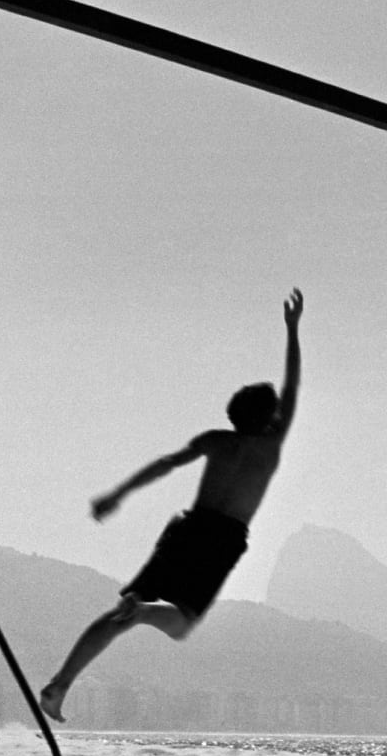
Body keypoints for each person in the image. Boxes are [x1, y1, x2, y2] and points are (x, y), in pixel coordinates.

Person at [38, 289, 304, 723]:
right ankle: (142, 612)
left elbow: (166, 464)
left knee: (118, 614)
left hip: (186, 528)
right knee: (180, 624)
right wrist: (292, 331)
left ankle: (60, 684)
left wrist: (118, 494)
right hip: (223, 538)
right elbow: (292, 388)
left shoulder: (215, 441)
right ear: (268, 416)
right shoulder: (270, 447)